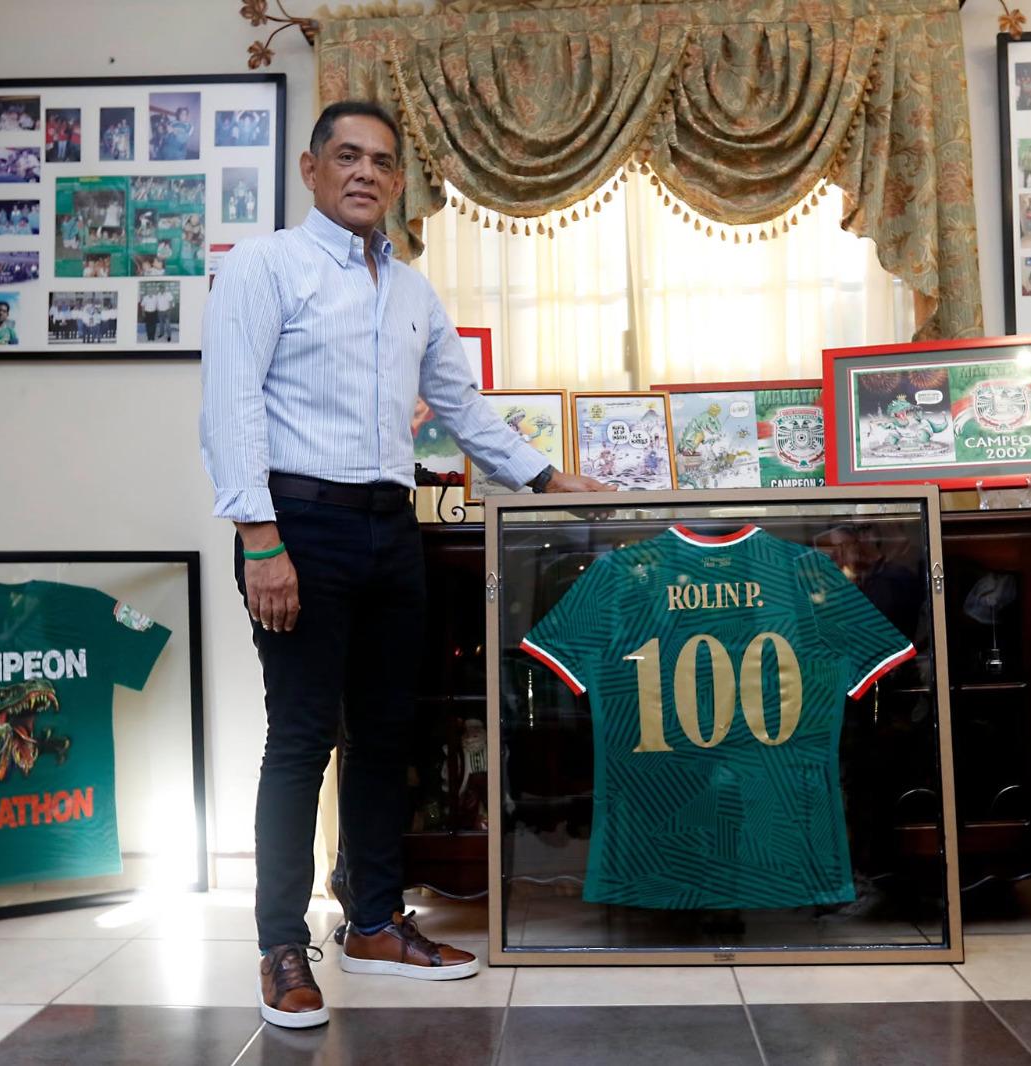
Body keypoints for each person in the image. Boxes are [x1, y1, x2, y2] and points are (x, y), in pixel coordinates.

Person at [200, 100, 611, 1031]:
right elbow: (230, 410)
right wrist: (259, 540)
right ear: (310, 169)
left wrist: (547, 477)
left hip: (396, 530)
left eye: (382, 163)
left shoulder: (414, 291)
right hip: (299, 524)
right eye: (346, 156)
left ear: (397, 182)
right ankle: (280, 950)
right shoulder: (264, 269)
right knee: (301, 741)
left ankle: (377, 924)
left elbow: (462, 409)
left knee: (388, 737)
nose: (364, 173)